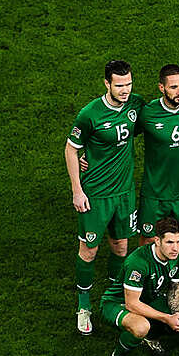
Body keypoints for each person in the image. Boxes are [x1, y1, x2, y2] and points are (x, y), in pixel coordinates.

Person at [65, 60, 143, 336]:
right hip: (95, 195)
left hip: (124, 193)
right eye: (119, 85)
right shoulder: (90, 114)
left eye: (129, 84)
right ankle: (83, 306)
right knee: (89, 250)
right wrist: (77, 189)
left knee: (121, 247)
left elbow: (160, 114)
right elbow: (71, 150)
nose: (125, 90)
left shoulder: (136, 105)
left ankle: (113, 298)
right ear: (106, 84)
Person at [100, 216, 179, 356]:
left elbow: (175, 289)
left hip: (149, 298)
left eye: (178, 241)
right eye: (169, 242)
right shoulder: (138, 262)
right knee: (141, 327)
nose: (175, 248)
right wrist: (168, 318)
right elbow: (132, 303)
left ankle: (151, 338)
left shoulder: (178, 255)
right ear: (157, 241)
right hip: (118, 303)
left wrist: (176, 314)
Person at [135, 64, 179, 245]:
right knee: (148, 239)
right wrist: (88, 155)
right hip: (154, 192)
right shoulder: (148, 113)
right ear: (161, 88)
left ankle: (173, 273)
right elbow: (122, 136)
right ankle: (146, 272)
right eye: (173, 87)